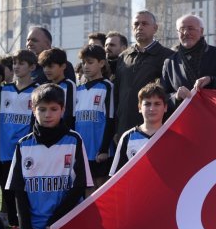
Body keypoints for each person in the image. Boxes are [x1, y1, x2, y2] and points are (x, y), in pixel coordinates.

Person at [5, 83, 92, 229]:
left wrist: (57, 220)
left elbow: (80, 186)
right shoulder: (23, 145)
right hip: (35, 228)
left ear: (63, 110)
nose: (47, 115)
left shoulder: (74, 140)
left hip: (67, 222)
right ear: (33, 109)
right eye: (42, 109)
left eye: (53, 109)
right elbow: (19, 191)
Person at [115, 10, 173, 139]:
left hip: (153, 131)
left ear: (155, 28)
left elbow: (168, 94)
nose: (139, 27)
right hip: (124, 129)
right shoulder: (123, 57)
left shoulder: (167, 56)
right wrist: (116, 129)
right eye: (136, 24)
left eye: (144, 23)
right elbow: (117, 94)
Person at [0, 49, 39, 229]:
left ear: (32, 67)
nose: (16, 67)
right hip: (4, 148)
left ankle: (27, 222)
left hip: (24, 149)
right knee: (6, 187)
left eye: (21, 63)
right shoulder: (4, 90)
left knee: (23, 188)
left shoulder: (37, 91)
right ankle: (14, 223)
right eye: (15, 63)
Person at [161, 14, 216, 108]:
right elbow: (161, 97)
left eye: (191, 28)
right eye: (182, 29)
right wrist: (176, 97)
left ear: (201, 31)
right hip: (185, 117)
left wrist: (212, 80)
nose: (186, 32)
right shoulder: (170, 62)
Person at [75, 45, 114, 192]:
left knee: (101, 189)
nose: (86, 66)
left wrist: (104, 149)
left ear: (102, 63)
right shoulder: (78, 90)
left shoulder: (107, 86)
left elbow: (110, 119)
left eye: (90, 62)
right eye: (83, 62)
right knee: (85, 189)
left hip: (99, 151)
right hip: (82, 150)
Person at [109, 83, 166, 176]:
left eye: (157, 104)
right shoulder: (128, 137)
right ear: (139, 108)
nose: (152, 108)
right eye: (147, 104)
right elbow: (116, 177)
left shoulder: (172, 135)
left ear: (165, 107)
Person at [38, 48, 76, 129]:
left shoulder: (69, 85)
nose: (46, 70)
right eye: (44, 66)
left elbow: (70, 114)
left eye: (50, 66)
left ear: (63, 66)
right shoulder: (43, 87)